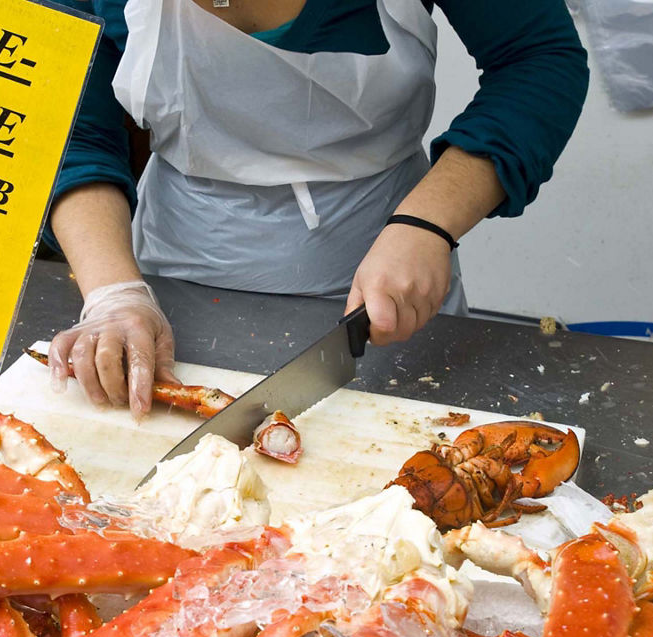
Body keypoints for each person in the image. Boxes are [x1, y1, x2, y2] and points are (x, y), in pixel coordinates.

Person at [45, 0, 588, 416]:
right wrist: (114, 296)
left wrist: (427, 224)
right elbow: (72, 129)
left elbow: (537, 59)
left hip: (387, 275)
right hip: (174, 283)